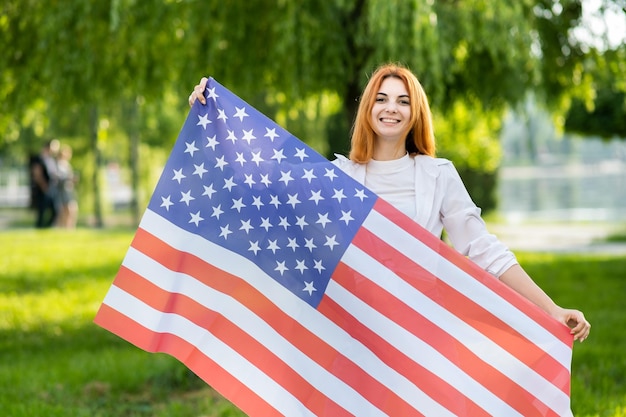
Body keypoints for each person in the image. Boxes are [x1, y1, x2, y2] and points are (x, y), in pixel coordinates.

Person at [188, 63, 590, 342]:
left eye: (402, 101)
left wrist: (551, 310)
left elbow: (484, 250)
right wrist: (212, 120)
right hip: (354, 328)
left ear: (415, 113)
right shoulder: (342, 176)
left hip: (418, 329)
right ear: (369, 109)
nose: (391, 108)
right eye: (381, 99)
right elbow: (267, 185)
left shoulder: (438, 174)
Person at [30, 139, 60, 228]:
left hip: (51, 188)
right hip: (43, 188)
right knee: (41, 211)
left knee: (55, 210)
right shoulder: (39, 158)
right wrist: (43, 186)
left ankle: (46, 227)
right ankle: (40, 227)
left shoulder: (51, 159)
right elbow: (37, 173)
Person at [55, 144, 79, 228]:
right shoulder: (58, 164)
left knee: (71, 209)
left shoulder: (66, 164)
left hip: (68, 189)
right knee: (66, 210)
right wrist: (69, 178)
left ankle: (69, 227)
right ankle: (63, 227)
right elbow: (58, 177)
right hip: (63, 190)